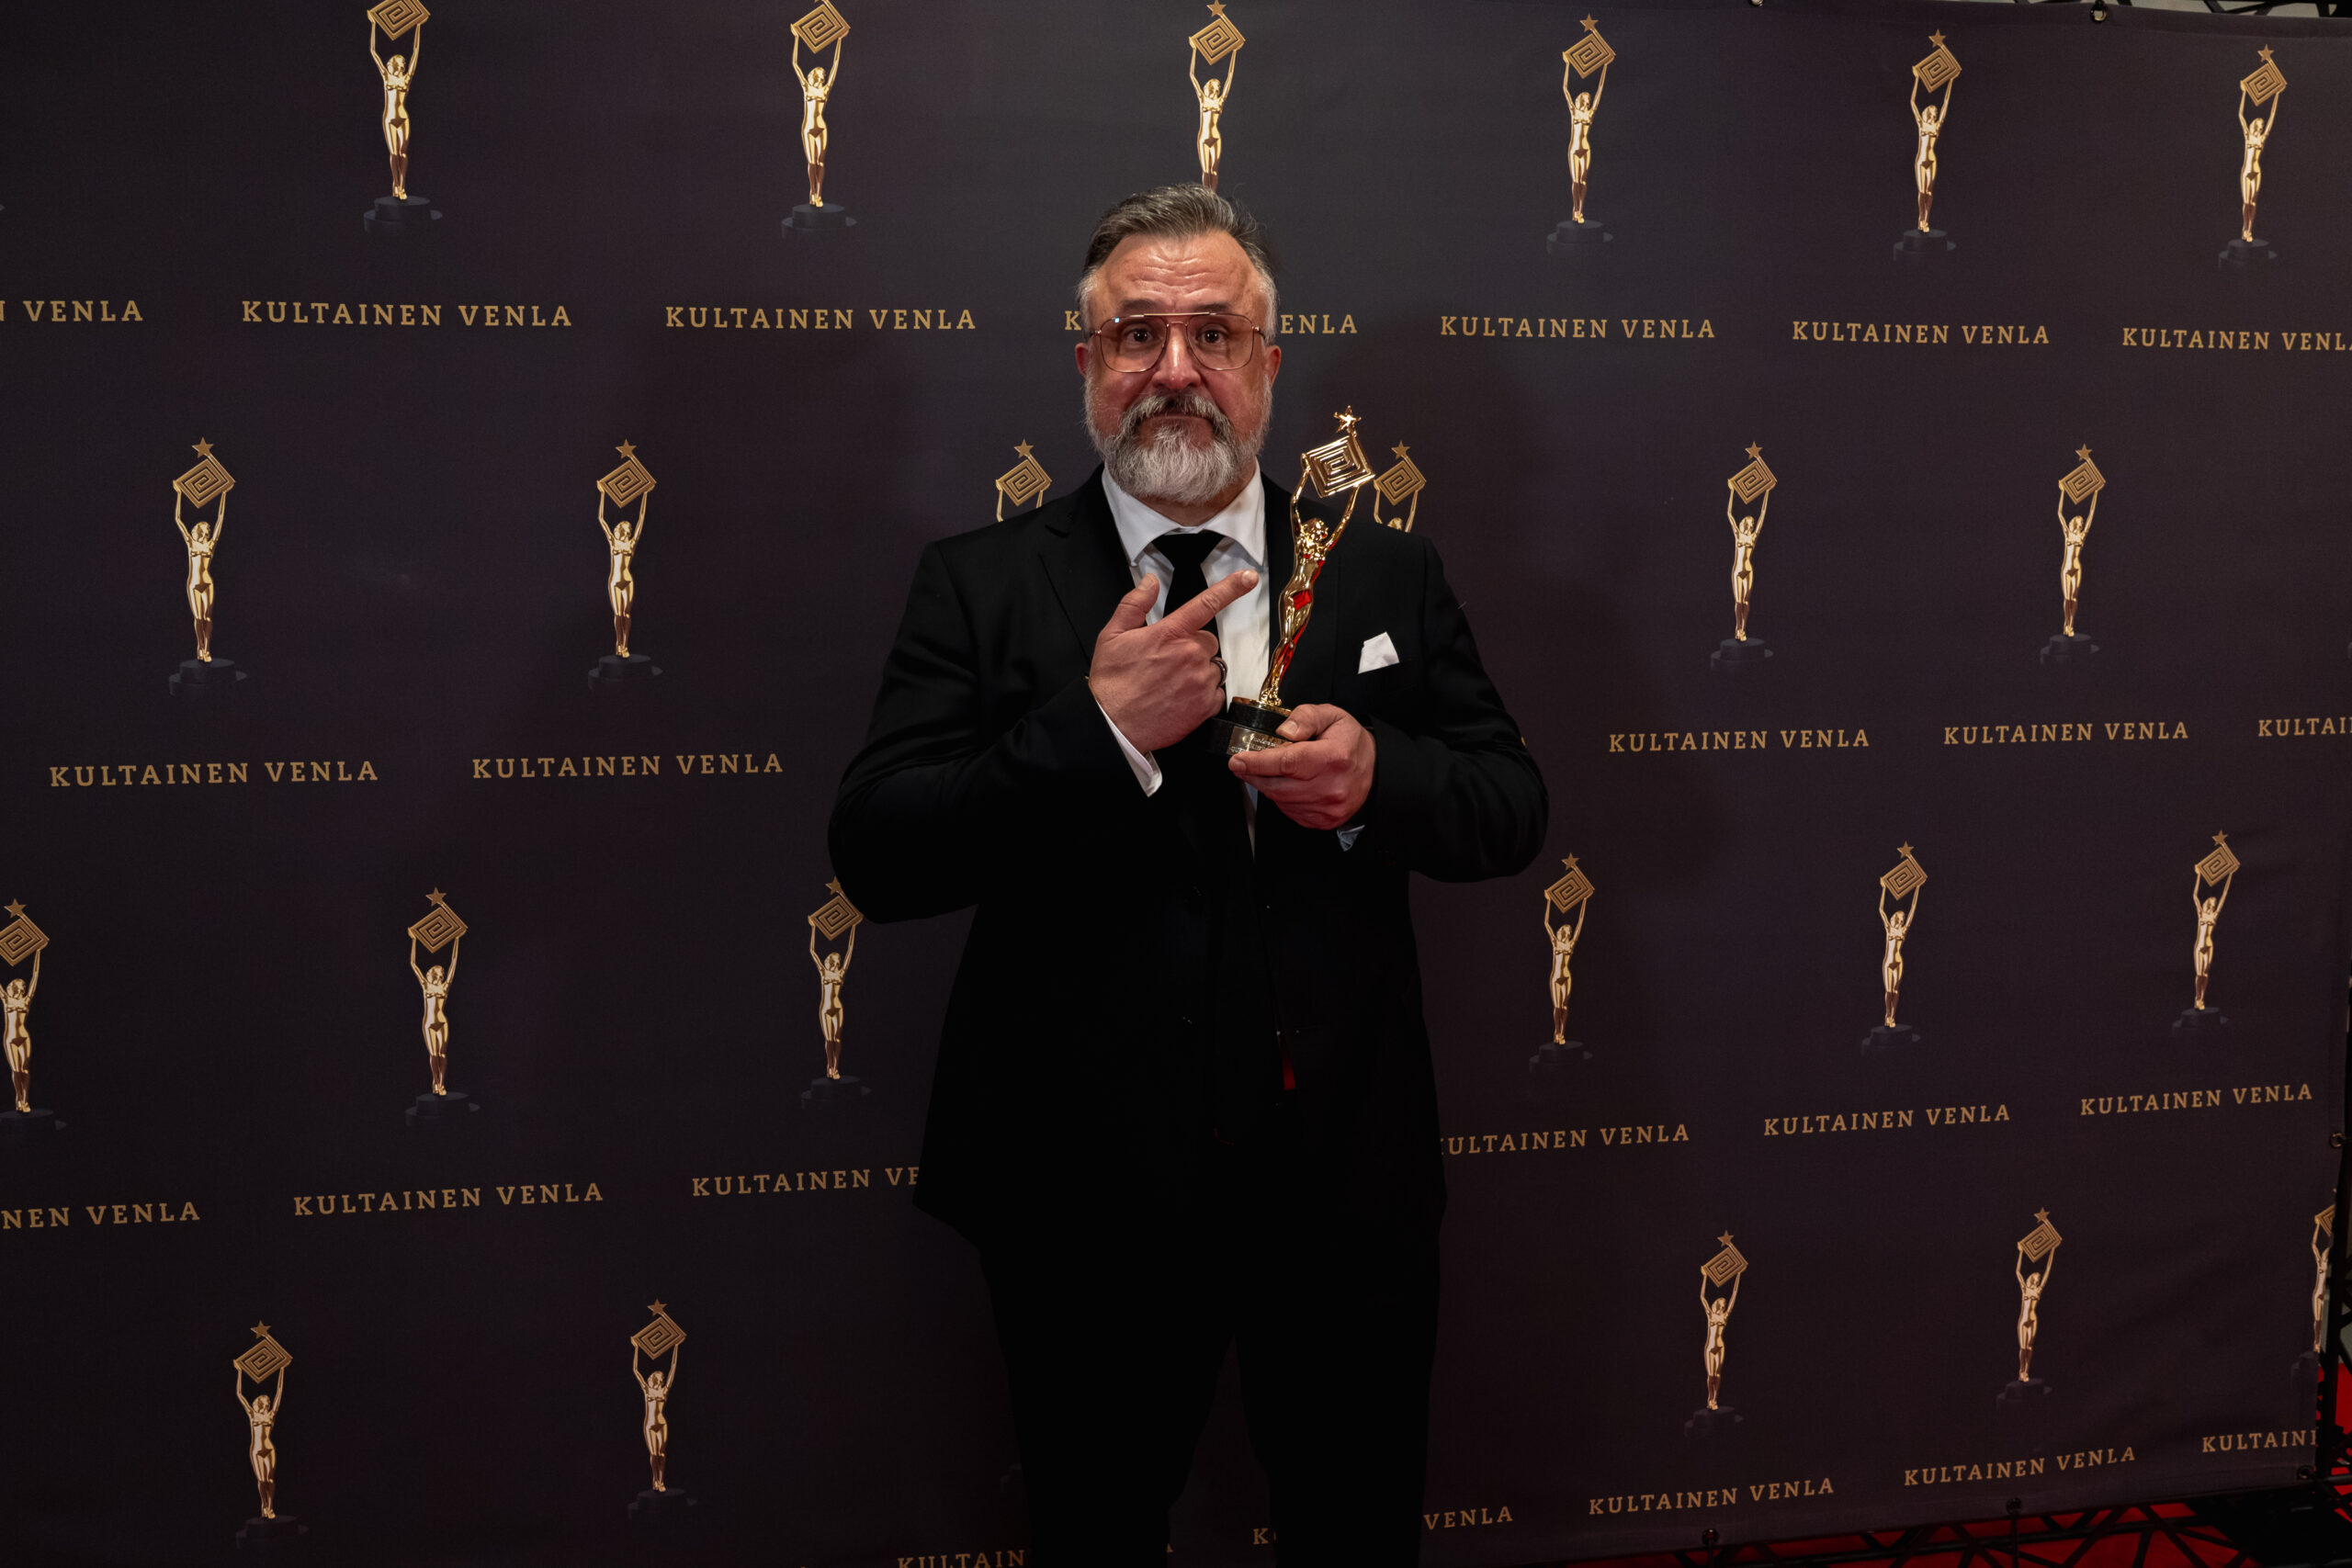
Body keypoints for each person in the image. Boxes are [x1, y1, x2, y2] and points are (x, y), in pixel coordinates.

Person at [830, 186, 1546, 1566]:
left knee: (1356, 1530)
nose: (1174, 368)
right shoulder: (980, 583)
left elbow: (1510, 805)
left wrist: (1380, 779)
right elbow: (878, 850)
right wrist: (1095, 732)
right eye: (1136, 334)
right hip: (1079, 1190)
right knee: (1094, 1531)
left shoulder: (1382, 571)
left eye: (1213, 334)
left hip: (1339, 1181)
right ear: (1085, 361)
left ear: (1268, 365)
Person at [368, 23, 420, 201]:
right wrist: (373, 24)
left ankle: (402, 186)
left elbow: (416, 51)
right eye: (402, 61)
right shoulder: (386, 77)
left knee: (403, 153)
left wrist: (418, 26)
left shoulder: (406, 78)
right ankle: (396, 183)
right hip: (389, 118)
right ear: (395, 63)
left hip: (403, 118)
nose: (404, 62)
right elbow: (373, 51)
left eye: (405, 61)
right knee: (394, 153)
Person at [408, 934, 458, 1095]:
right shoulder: (426, 985)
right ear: (433, 973)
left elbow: (454, 962)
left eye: (441, 971)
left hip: (442, 1022)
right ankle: (435, 1081)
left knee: (442, 1054)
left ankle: (442, 1084)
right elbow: (413, 964)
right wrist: (414, 940)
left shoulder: (445, 987)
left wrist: (457, 939)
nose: (441, 972)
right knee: (433, 1054)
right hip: (429, 1023)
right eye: (438, 970)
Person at [236, 1370, 285, 1520]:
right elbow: (239, 1394)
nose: (268, 1402)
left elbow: (279, 1391)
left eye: (269, 1401)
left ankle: (270, 1507)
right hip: (256, 1450)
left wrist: (282, 1370)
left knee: (270, 1480)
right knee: (262, 1480)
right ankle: (263, 1504)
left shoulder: (271, 1414)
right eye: (266, 1400)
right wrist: (239, 1372)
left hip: (269, 1449)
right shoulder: (252, 1414)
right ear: (260, 1402)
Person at [3, 950, 37, 1113]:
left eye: (24, 985)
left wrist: (38, 953)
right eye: (21, 984)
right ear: (15, 986)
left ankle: (25, 1099)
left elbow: (35, 976)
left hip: (24, 1037)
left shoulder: (26, 1000)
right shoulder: (6, 999)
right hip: (10, 1038)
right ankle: (18, 1096)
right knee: (16, 1070)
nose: (24, 986)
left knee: (25, 1070)